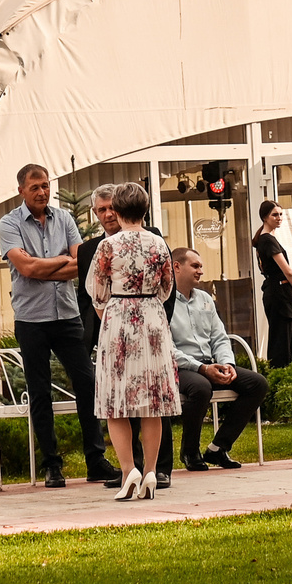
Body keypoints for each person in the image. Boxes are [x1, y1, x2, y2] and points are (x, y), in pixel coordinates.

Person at [0, 164, 111, 488]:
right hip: (32, 320)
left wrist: (45, 266)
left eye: (45, 186)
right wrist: (58, 262)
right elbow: (26, 267)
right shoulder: (9, 223)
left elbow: (82, 263)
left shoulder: (64, 219)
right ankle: (52, 465)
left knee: (87, 384)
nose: (42, 192)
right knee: (39, 392)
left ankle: (96, 460)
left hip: (67, 316)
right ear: (21, 190)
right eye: (35, 187)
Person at [88, 182, 178, 500]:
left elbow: (97, 291)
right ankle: (151, 470)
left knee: (116, 402)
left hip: (119, 317)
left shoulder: (108, 247)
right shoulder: (158, 244)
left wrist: (114, 306)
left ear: (117, 208)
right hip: (152, 317)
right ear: (145, 209)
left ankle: (129, 470)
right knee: (151, 403)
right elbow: (167, 287)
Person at [163, 246, 269, 470]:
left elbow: (219, 337)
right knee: (201, 388)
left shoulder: (205, 299)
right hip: (179, 367)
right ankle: (190, 452)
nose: (200, 271)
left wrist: (228, 364)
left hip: (210, 364)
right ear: (176, 267)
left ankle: (218, 448)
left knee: (257, 383)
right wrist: (201, 368)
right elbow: (166, 348)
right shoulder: (164, 302)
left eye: (201, 266)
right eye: (195, 266)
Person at [72, 186, 130, 487]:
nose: (108, 214)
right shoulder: (87, 250)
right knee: (111, 401)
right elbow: (88, 296)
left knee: (142, 399)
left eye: (112, 208)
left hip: (142, 333)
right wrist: (89, 335)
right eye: (101, 210)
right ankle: (122, 467)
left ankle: (156, 469)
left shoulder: (151, 237)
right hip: (102, 334)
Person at [253, 200, 292, 367]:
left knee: (287, 337)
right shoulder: (268, 240)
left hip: (277, 291)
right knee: (282, 339)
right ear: (265, 217)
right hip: (279, 292)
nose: (279, 218)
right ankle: (281, 373)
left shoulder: (265, 239)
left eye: (280, 214)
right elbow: (288, 271)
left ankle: (288, 373)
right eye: (274, 214)